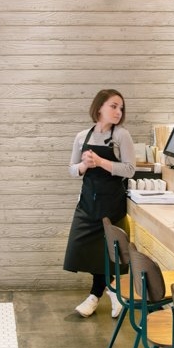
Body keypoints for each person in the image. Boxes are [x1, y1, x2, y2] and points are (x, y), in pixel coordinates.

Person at [63, 89, 136, 318]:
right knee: (85, 251)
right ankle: (112, 292)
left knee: (107, 253)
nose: (118, 111)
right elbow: (72, 170)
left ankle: (95, 297)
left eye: (121, 108)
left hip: (112, 205)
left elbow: (130, 169)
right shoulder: (82, 137)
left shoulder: (122, 135)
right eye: (113, 106)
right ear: (99, 107)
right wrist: (85, 165)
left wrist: (101, 161)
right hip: (87, 204)